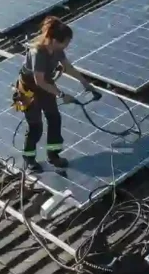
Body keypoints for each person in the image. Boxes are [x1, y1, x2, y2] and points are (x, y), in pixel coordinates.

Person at [17, 16, 100, 172]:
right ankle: (29, 158)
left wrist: (85, 83)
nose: (67, 46)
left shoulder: (57, 50)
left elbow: (67, 67)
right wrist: (62, 95)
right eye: (65, 42)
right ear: (54, 40)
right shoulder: (38, 52)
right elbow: (39, 81)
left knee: (54, 119)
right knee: (36, 127)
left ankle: (53, 155)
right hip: (29, 89)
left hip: (46, 85)